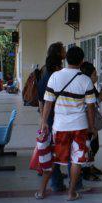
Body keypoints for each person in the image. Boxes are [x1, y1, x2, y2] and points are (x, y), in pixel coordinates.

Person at [37, 46, 97, 201]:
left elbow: (48, 102)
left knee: (54, 158)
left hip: (60, 126)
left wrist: (44, 122)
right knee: (77, 160)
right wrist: (92, 127)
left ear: (66, 59)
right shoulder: (86, 80)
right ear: (82, 61)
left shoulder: (55, 76)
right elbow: (91, 107)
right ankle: (71, 193)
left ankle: (42, 191)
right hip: (80, 127)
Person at [38, 42, 70, 192]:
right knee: (58, 148)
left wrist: (43, 119)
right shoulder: (56, 75)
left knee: (53, 147)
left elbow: (41, 99)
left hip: (50, 117)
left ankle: (56, 178)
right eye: (63, 50)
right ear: (58, 54)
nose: (65, 52)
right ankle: (57, 182)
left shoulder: (46, 72)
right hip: (57, 116)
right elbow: (48, 100)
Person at [80, 62, 102, 181]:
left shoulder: (91, 87)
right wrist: (100, 97)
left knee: (94, 146)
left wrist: (100, 96)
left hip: (91, 121)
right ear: (87, 76)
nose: (97, 77)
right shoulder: (84, 88)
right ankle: (85, 171)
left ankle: (90, 166)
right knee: (89, 146)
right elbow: (87, 106)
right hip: (86, 122)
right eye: (94, 74)